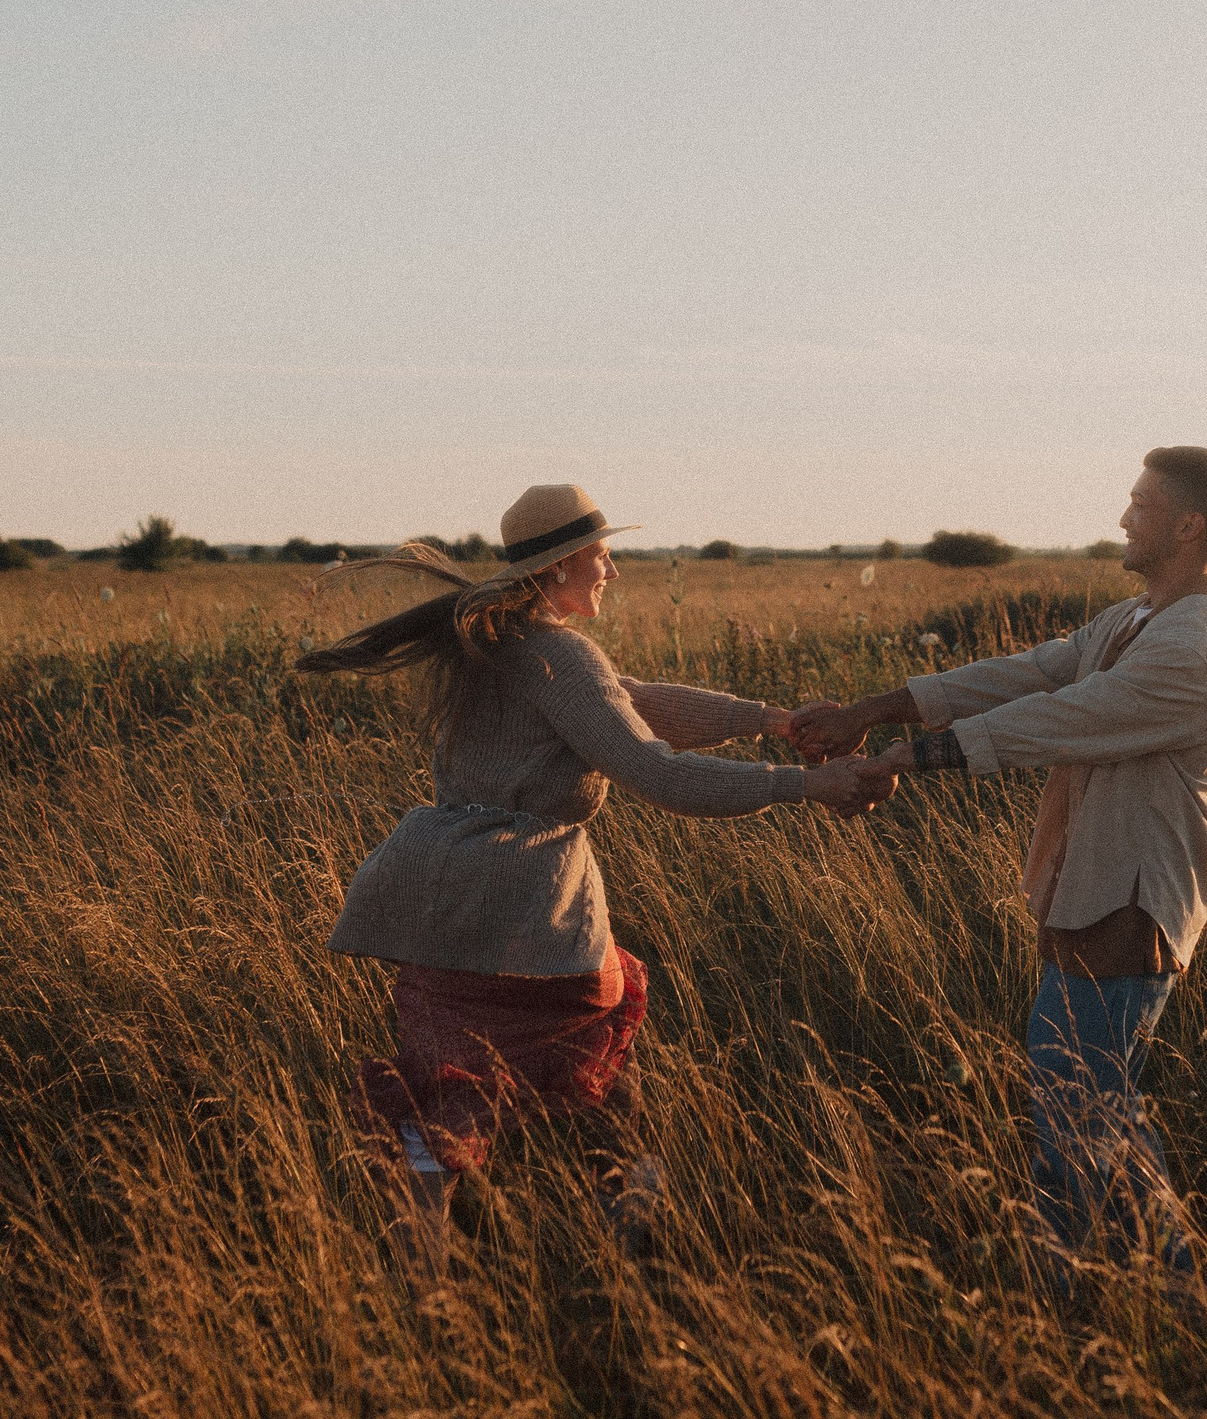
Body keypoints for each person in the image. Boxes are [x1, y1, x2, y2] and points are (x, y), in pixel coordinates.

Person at [294, 483, 879, 1260]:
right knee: (600, 1064)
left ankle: (420, 1274)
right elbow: (659, 771)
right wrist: (806, 784)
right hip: (526, 910)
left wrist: (772, 720)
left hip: (439, 905)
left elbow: (630, 701)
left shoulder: (495, 643)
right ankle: (634, 1244)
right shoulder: (560, 654)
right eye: (602, 555)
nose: (612, 569)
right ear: (563, 564)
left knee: (454, 1089)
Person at [791, 447, 1207, 1285]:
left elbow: (1059, 716)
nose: (1123, 518)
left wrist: (902, 758)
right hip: (1088, 892)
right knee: (1078, 1109)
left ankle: (1165, 1295)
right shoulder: (1135, 618)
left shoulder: (1194, 649)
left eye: (1141, 505)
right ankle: (1076, 1282)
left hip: (1132, 905)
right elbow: (1025, 673)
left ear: (1189, 526)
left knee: (1086, 1115)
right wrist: (872, 709)